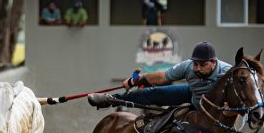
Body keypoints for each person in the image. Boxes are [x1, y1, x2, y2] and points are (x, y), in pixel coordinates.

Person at [88, 41, 231, 110]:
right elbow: (162, 77)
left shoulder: (228, 73)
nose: (197, 68)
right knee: (152, 92)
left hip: (214, 111)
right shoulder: (188, 66)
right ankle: (111, 99)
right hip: (193, 95)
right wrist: (133, 82)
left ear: (213, 62)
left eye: (202, 64)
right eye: (195, 64)